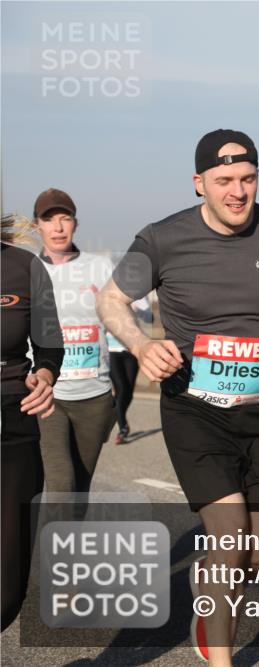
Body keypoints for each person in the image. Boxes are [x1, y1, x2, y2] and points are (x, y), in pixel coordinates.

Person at [98, 129, 259, 666]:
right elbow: (111, 299)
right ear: (199, 182)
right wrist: (140, 343)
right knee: (229, 536)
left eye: (247, 179)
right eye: (224, 180)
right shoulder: (162, 239)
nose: (237, 192)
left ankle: (209, 593)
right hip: (193, 409)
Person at [34, 189, 117, 498]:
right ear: (37, 225)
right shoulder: (28, 269)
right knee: (61, 485)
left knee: (79, 490)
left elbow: (124, 319)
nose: (58, 227)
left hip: (94, 394)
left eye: (64, 218)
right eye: (49, 219)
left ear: (75, 223)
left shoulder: (101, 267)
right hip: (46, 394)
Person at [1, 214, 62, 631]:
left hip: (12, 416)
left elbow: (49, 344)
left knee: (7, 587)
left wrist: (44, 375)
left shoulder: (25, 267)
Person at [106, 295, 152, 444]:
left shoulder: (141, 297)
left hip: (132, 349)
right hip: (112, 349)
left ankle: (115, 414)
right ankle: (123, 427)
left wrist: (135, 309)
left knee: (129, 392)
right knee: (121, 388)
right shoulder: (110, 293)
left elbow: (150, 319)